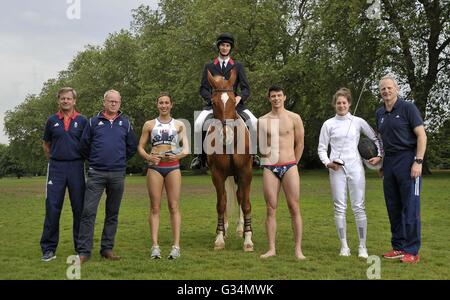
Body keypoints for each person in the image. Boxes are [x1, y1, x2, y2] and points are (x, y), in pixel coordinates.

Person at [317, 87, 382, 258]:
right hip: (337, 169)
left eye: (344, 102)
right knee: (339, 207)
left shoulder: (358, 121)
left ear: (349, 103)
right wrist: (328, 163)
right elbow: (322, 149)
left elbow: (375, 138)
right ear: (334, 105)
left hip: (356, 167)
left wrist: (378, 155)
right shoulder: (328, 124)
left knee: (359, 207)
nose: (341, 105)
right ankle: (344, 246)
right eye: (338, 103)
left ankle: (362, 246)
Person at [77, 90, 137, 263]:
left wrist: (119, 159)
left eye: (116, 101)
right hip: (96, 173)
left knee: (112, 213)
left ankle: (107, 249)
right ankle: (84, 251)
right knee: (88, 212)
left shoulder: (125, 123)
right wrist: (96, 159)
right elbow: (84, 146)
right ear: (104, 102)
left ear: (120, 103)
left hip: (118, 174)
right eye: (110, 101)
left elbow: (131, 146)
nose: (113, 104)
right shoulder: (93, 122)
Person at [376, 75, 427, 264]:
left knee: (411, 208)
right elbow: (381, 141)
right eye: (383, 89)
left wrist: (418, 161)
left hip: (408, 160)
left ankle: (412, 251)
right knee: (393, 207)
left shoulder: (408, 108)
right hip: (390, 163)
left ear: (396, 89)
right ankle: (398, 246)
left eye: (389, 88)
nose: (386, 91)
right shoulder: (379, 113)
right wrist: (382, 162)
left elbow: (421, 136)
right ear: (380, 92)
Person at [191, 32, 259, 169]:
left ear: (230, 48)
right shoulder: (209, 66)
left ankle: (254, 154)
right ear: (219, 47)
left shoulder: (238, 66)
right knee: (199, 123)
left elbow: (246, 88)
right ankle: (199, 157)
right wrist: (211, 99)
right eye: (222, 45)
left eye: (227, 45)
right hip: (214, 105)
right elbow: (203, 89)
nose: (225, 48)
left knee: (254, 121)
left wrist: (240, 97)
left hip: (234, 105)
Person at [137, 92, 189, 260]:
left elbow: (186, 149)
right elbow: (140, 147)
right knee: (155, 207)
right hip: (155, 168)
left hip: (173, 167)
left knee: (174, 206)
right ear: (157, 104)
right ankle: (155, 246)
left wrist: (179, 156)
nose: (164, 105)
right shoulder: (149, 124)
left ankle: (176, 246)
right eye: (161, 103)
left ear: (171, 105)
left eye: (167, 103)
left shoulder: (179, 124)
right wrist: (148, 157)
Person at [40, 87, 87, 262]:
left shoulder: (82, 121)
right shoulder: (51, 120)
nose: (65, 101)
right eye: (62, 99)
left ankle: (81, 248)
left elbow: (87, 144)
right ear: (59, 101)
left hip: (76, 167)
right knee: (52, 208)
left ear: (74, 101)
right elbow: (46, 144)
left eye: (68, 98)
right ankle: (48, 249)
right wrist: (55, 158)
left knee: (79, 209)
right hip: (56, 168)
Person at [259, 85, 306, 260]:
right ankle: (271, 248)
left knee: (294, 207)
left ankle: (298, 249)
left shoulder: (294, 118)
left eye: (279, 95)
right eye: (273, 96)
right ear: (269, 98)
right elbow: (261, 145)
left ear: (284, 97)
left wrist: (294, 163)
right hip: (270, 168)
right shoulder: (262, 120)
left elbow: (300, 143)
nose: (276, 98)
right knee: (271, 208)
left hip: (289, 165)